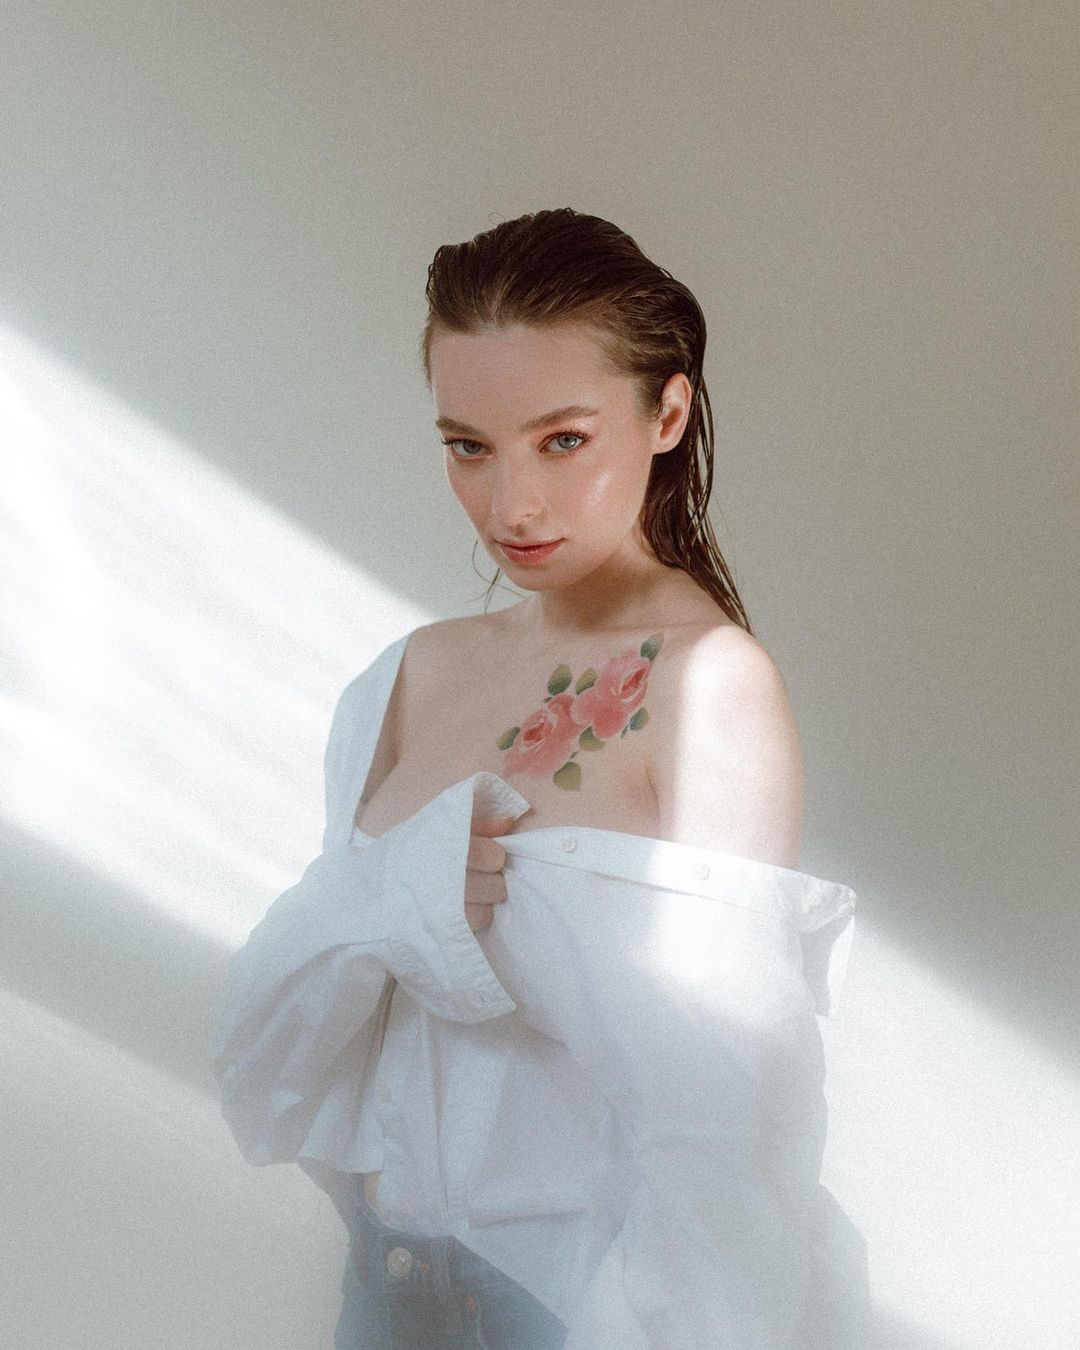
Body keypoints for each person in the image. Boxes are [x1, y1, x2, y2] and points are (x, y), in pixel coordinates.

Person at [212, 208, 868, 1349]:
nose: (510, 505)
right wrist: (390, 899)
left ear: (667, 414)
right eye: (469, 445)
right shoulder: (411, 675)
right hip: (381, 1284)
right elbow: (278, 1052)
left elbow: (727, 1127)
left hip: (564, 1309)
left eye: (562, 440)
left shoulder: (710, 686)